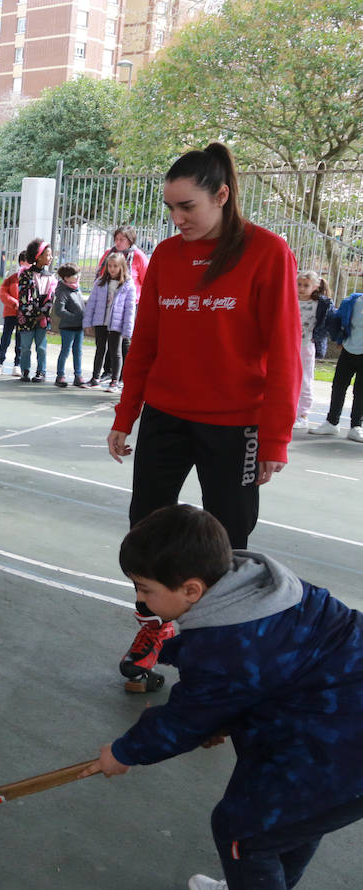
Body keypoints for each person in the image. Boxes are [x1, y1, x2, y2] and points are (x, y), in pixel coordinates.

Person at [83, 504, 363, 890]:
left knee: (243, 834)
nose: (140, 601)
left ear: (192, 590)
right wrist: (226, 718)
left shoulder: (227, 646)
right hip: (329, 721)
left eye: (145, 589)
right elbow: (272, 675)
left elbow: (183, 720)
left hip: (340, 745)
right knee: (288, 822)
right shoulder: (259, 592)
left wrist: (124, 753)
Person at [108, 142, 300, 693]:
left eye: (188, 206)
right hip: (167, 416)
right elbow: (144, 344)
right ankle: (152, 632)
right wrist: (127, 414)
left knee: (230, 542)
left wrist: (274, 438)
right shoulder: (167, 257)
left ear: (223, 195)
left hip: (234, 424)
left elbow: (286, 351)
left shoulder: (267, 253)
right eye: (170, 207)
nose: (177, 218)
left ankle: (222, 653)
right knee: (145, 528)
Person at [310, 291, 363, 441]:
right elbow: (338, 320)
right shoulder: (352, 302)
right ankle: (332, 423)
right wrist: (339, 338)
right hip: (348, 350)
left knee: (360, 392)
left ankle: (356, 426)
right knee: (338, 386)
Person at [84, 250, 138, 390]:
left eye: (115, 266)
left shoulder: (127, 285)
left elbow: (130, 309)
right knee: (100, 349)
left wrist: (128, 329)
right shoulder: (100, 282)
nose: (112, 269)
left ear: (122, 267)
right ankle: (95, 377)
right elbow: (92, 303)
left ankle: (115, 380)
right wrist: (88, 322)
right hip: (101, 322)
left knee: (116, 351)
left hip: (117, 324)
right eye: (110, 266)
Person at [293, 271, 329, 428]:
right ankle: (291, 412)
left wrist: (317, 337)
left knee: (305, 380)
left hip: (306, 345)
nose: (301, 288)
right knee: (288, 379)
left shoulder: (320, 305)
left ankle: (303, 414)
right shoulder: (291, 300)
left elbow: (325, 324)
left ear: (315, 287)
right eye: (299, 284)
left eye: (306, 285)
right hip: (289, 345)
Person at [15, 238, 54, 383]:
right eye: (47, 255)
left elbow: (51, 298)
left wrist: (44, 313)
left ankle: (41, 372)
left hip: (42, 318)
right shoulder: (26, 275)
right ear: (38, 256)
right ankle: (25, 370)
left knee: (41, 346)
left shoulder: (50, 277)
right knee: (25, 346)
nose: (50, 258)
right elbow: (24, 299)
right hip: (27, 317)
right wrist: (37, 313)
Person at [0, 252, 27, 376]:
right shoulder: (11, 279)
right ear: (21, 262)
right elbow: (3, 293)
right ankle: (0, 363)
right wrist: (14, 302)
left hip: (24, 315)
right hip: (10, 313)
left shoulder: (32, 279)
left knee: (20, 339)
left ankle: (17, 364)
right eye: (27, 261)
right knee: (5, 338)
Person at [51, 263, 86, 388]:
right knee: (65, 351)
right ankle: (60, 375)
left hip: (79, 327)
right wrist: (75, 317)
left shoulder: (77, 288)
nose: (77, 277)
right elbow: (59, 310)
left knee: (78, 352)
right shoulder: (62, 291)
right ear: (66, 278)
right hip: (68, 328)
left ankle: (78, 375)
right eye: (74, 275)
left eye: (78, 274)